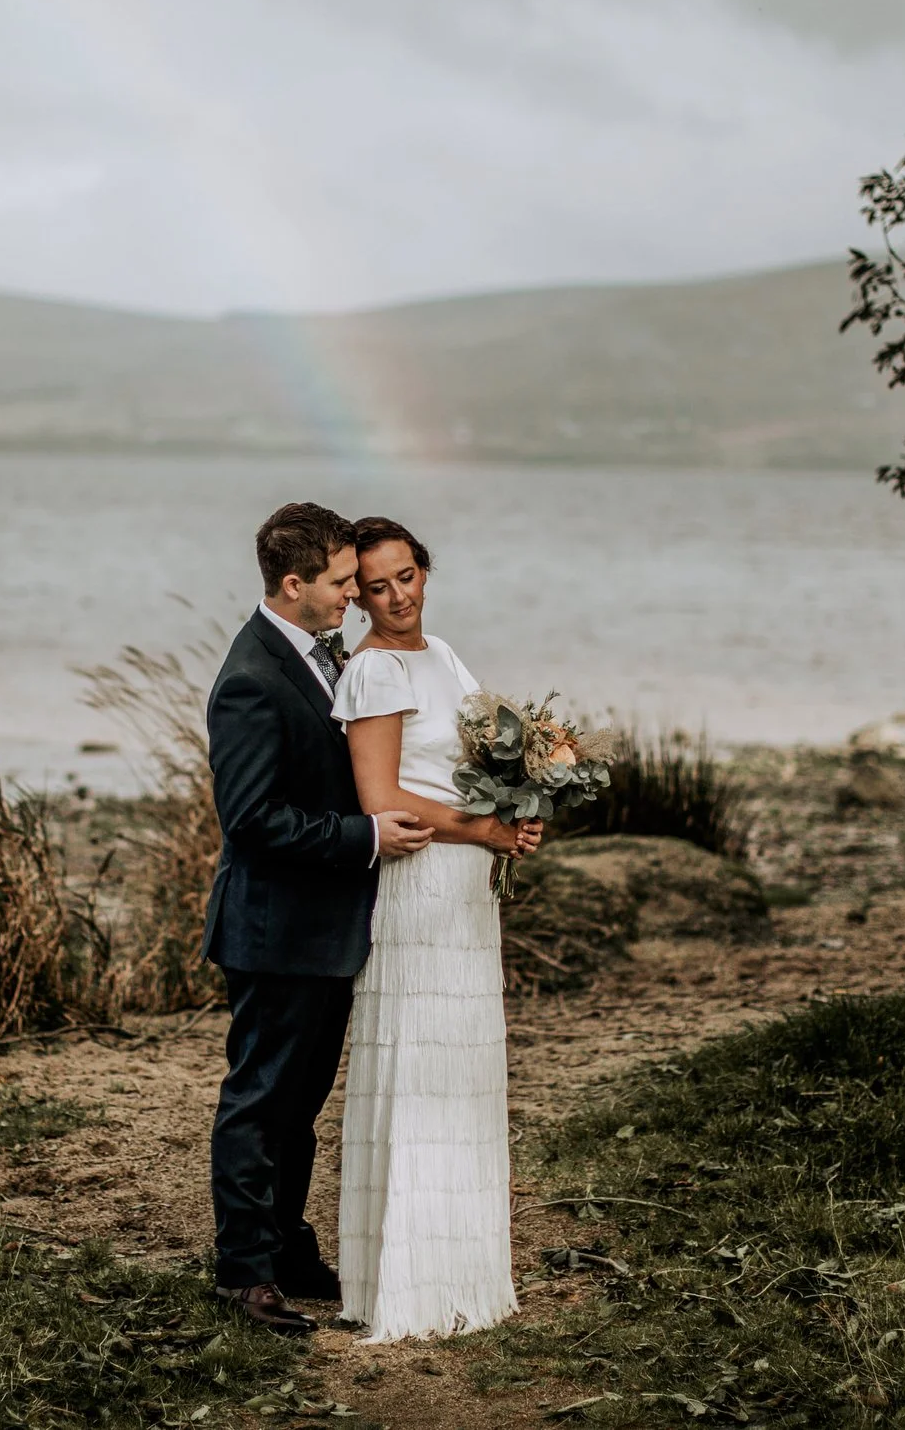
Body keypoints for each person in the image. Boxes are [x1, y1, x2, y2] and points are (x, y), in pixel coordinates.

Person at [203, 502, 434, 1334]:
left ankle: (289, 1246)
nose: (356, 594)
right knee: (260, 1100)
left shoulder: (318, 650)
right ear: (293, 583)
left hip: (323, 927)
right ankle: (244, 1273)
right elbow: (252, 819)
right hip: (273, 928)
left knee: (299, 1101)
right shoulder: (249, 678)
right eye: (341, 582)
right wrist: (365, 834)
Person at [330, 515, 540, 1342]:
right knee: (418, 1065)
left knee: (464, 1069)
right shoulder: (373, 672)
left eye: (407, 576)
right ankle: (406, 1284)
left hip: (465, 885)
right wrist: (479, 830)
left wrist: (522, 810)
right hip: (418, 882)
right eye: (376, 586)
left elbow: (483, 758)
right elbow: (381, 797)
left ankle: (464, 1272)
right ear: (359, 595)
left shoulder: (445, 654)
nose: (396, 597)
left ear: (426, 570)